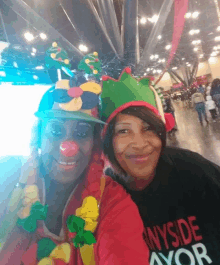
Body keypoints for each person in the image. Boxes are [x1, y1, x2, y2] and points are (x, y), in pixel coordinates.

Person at [0, 52, 149, 264]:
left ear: (95, 143)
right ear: (38, 136)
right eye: (55, 130)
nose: (67, 147)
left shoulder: (112, 202)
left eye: (81, 133)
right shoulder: (8, 179)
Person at [100, 68, 220, 265]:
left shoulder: (192, 170)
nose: (139, 144)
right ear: (107, 141)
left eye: (148, 128)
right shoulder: (107, 198)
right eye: (123, 131)